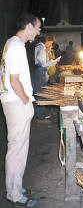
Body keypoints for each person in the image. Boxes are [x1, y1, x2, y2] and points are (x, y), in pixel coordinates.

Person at [0, 13, 41, 206]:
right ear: (28, 26)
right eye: (38, 27)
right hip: (17, 102)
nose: (39, 31)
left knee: (18, 148)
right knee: (17, 150)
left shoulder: (13, 44)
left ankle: (16, 186)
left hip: (13, 102)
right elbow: (14, 81)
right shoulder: (16, 46)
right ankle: (14, 194)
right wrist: (26, 101)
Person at [34, 34, 59, 122]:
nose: (51, 45)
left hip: (40, 71)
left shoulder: (39, 47)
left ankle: (40, 115)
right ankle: (40, 117)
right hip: (40, 71)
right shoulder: (41, 48)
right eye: (51, 43)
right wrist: (51, 62)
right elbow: (42, 63)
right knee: (40, 94)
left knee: (40, 93)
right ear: (47, 41)